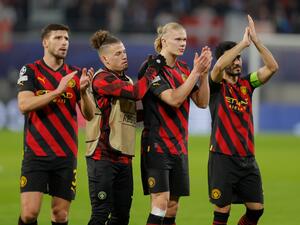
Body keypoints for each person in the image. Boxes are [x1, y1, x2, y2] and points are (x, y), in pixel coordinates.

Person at [17, 24, 94, 225]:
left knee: (60, 215)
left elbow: (89, 115)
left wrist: (84, 92)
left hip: (65, 155)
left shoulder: (75, 74)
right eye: (58, 38)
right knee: (29, 213)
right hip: (36, 153)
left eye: (66, 39)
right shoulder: (31, 70)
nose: (64, 42)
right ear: (45, 42)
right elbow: (24, 105)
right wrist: (57, 91)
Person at [86, 29, 165, 225]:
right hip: (102, 156)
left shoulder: (127, 80)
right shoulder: (102, 78)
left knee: (122, 217)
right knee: (100, 215)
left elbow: (129, 115)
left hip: (123, 156)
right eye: (118, 54)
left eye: (124, 52)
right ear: (105, 59)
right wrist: (151, 71)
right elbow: (136, 93)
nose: (124, 56)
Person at [208, 15, 279, 225]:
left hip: (248, 158)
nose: (238, 61)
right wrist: (242, 44)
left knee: (256, 210)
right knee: (222, 211)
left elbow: (272, 67)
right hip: (223, 157)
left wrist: (255, 41)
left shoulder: (248, 84)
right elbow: (219, 66)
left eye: (240, 58)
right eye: (235, 58)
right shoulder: (217, 85)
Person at [139, 22, 212, 225]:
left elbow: (203, 102)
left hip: (179, 146)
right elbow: (174, 99)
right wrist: (195, 74)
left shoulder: (183, 68)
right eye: (178, 39)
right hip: (156, 145)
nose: (183, 44)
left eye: (185, 40)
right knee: (160, 204)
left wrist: (204, 75)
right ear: (164, 41)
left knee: (172, 207)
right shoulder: (151, 68)